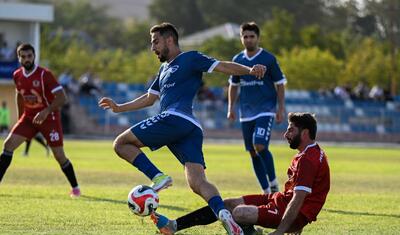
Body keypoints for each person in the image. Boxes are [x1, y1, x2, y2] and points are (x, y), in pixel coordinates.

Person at [98, 22, 267, 235]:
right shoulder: (163, 69)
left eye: (156, 42)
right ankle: (223, 214)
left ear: (170, 40)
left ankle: (158, 177)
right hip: (189, 128)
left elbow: (223, 66)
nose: (153, 48)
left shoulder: (190, 58)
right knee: (197, 182)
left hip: (175, 118)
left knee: (120, 143)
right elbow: (150, 99)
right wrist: (119, 107)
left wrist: (250, 70)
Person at [153, 112, 330, 235]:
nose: (286, 134)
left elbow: (299, 198)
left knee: (238, 214)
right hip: (280, 200)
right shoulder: (309, 153)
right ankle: (175, 225)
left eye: (291, 130)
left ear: (305, 132)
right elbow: (306, 195)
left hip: (287, 210)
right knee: (226, 204)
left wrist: (282, 230)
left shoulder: (308, 159)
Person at [0, 43, 81, 197]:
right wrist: (20, 118)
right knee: (8, 145)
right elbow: (19, 95)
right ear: (19, 58)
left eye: (29, 56)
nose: (27, 59)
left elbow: (62, 97)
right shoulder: (17, 75)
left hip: (49, 119)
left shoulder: (45, 75)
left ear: (34, 56)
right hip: (29, 118)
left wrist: (46, 111)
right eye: (23, 57)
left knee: (59, 156)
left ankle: (75, 187)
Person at [227, 22, 286, 194]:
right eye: (245, 36)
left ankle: (274, 183)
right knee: (253, 152)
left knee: (259, 145)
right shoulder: (238, 60)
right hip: (245, 113)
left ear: (258, 38)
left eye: (252, 36)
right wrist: (231, 107)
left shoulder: (268, 58)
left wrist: (280, 108)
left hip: (266, 110)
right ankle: (267, 191)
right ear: (241, 38)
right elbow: (233, 85)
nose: (248, 39)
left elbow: (280, 84)